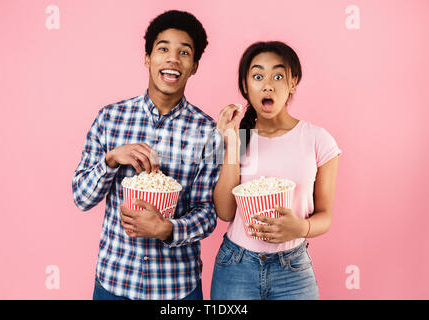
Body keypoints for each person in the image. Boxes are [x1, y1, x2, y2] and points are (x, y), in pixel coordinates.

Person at [72, 10, 223, 300]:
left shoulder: (209, 132)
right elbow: (81, 197)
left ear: (194, 66)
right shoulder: (110, 118)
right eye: (163, 49)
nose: (172, 59)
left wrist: (168, 228)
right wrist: (111, 159)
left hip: (177, 288)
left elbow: (208, 214)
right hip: (114, 282)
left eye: (184, 53)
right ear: (147, 58)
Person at [210, 41, 341, 300]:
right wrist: (232, 144)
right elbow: (224, 212)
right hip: (235, 266)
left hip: (293, 269)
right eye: (258, 76)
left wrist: (300, 227)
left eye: (278, 76)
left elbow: (325, 217)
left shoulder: (319, 139)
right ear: (246, 87)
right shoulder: (231, 136)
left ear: (293, 82)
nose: (267, 84)